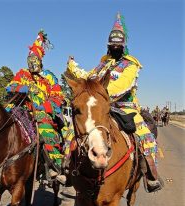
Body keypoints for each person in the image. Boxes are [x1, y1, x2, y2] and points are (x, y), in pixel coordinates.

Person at [66, 12, 163, 192]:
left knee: (146, 137)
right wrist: (74, 68)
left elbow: (122, 86)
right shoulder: (103, 64)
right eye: (113, 45)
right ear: (109, 46)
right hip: (102, 107)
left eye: (118, 45)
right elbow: (90, 78)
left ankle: (151, 175)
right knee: (72, 132)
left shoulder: (130, 65)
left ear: (123, 46)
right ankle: (68, 168)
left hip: (126, 109)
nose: (115, 47)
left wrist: (98, 94)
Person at [5, 30, 67, 184]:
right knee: (2, 124)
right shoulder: (22, 74)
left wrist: (44, 106)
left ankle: (56, 166)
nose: (32, 63)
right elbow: (10, 87)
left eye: (35, 59)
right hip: (22, 110)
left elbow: (58, 96)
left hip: (43, 112)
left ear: (40, 60)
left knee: (45, 129)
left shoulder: (49, 76)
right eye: (29, 59)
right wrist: (22, 89)